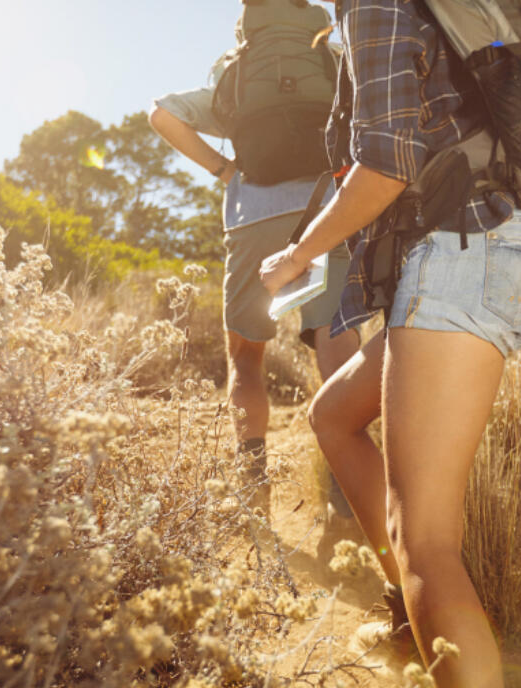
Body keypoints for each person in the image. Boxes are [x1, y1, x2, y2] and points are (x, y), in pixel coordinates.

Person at [258, 1, 521, 688]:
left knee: (425, 535)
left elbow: (388, 162)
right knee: (333, 414)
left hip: (466, 252)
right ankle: (417, 613)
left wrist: (298, 253)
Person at [148, 4, 359, 519]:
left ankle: (252, 488)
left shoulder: (234, 70)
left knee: (246, 358)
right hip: (326, 211)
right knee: (336, 340)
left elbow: (161, 113)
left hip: (251, 218)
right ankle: (347, 492)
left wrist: (224, 169)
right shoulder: (333, 61)